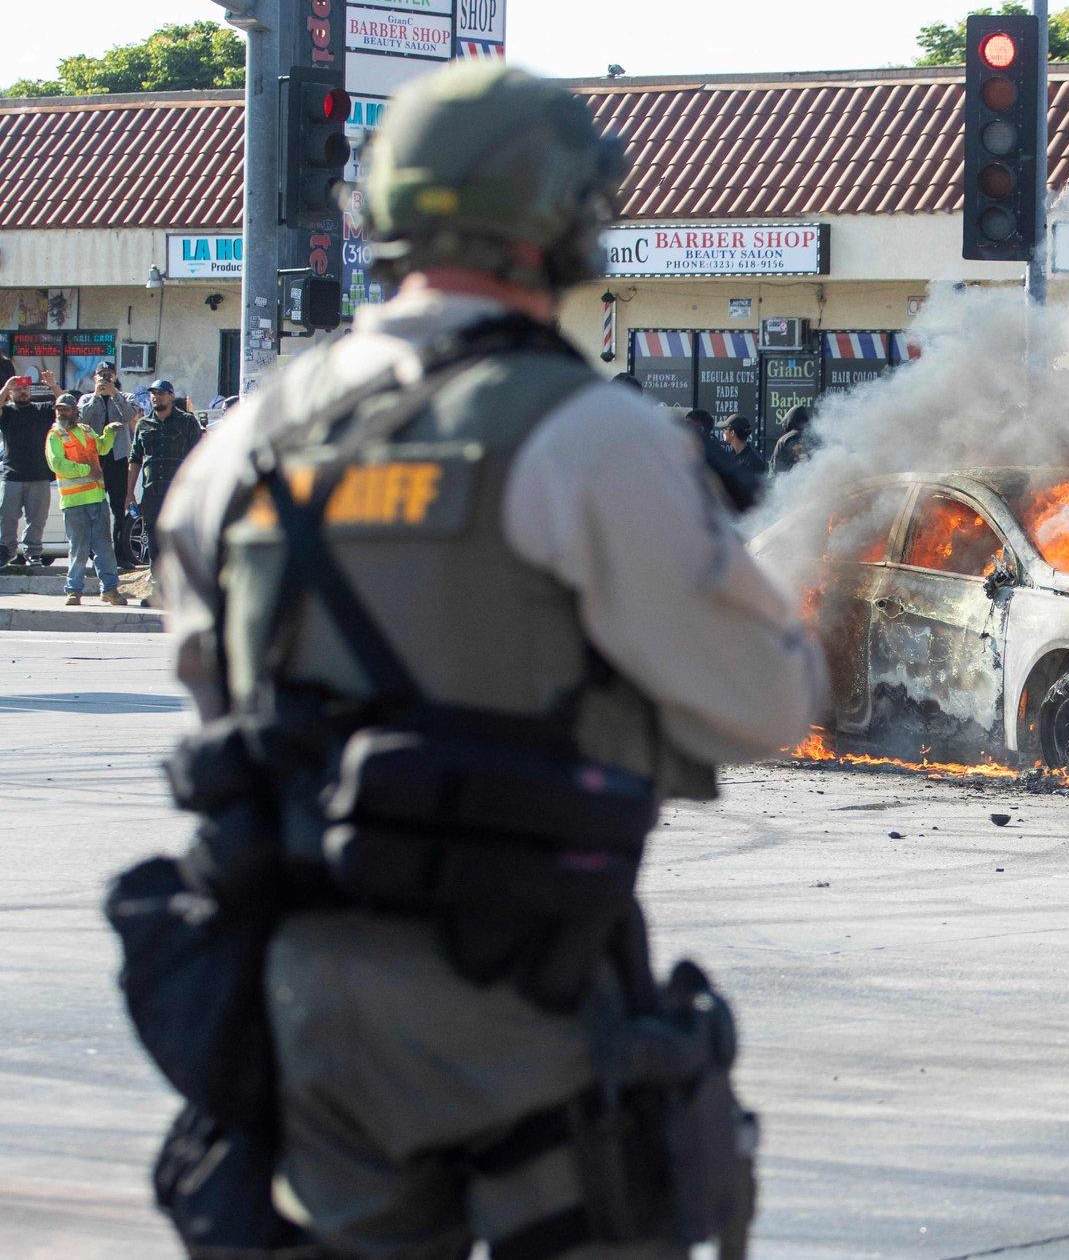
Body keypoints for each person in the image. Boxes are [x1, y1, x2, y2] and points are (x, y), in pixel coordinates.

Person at [150, 62, 824, 1258]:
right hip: (522, 991)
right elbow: (766, 704)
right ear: (559, 220)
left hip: (299, 999)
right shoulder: (587, 435)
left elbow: (213, 691)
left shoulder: (243, 439)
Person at [44, 392, 126, 606]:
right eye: (59, 409)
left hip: (97, 498)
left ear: (75, 412)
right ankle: (73, 591)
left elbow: (102, 447)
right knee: (79, 549)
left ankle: (109, 590)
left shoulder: (86, 430)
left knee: (103, 547)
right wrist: (87, 471)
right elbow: (58, 465)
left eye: (66, 409)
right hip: (74, 503)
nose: (61, 412)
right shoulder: (55, 435)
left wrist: (109, 432)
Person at [127, 377, 203, 566]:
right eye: (153, 394)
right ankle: (158, 587)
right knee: (154, 541)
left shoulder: (186, 422)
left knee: (180, 540)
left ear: (171, 396)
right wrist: (129, 493)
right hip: (152, 493)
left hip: (179, 492)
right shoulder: (143, 425)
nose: (156, 397)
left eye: (161, 393)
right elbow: (135, 459)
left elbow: (200, 457)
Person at [78, 361, 143, 568]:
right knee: (93, 507)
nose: (105, 378)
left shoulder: (126, 397)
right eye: (102, 375)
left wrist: (114, 393)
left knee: (118, 508)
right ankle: (92, 551)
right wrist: (97, 396)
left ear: (115, 376)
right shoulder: (86, 398)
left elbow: (129, 417)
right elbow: (81, 421)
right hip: (94, 459)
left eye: (109, 375)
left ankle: (120, 553)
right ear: (94, 377)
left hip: (118, 458)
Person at [1, 367, 58, 567]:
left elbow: (65, 405)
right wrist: (6, 387)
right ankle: (5, 552)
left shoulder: (41, 410)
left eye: (26, 389)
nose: (23, 392)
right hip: (12, 477)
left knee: (36, 520)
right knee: (7, 519)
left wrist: (52, 385)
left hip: (39, 476)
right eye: (18, 389)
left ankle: (33, 553)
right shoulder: (7, 412)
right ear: (12, 393)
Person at [720, 413, 766, 505]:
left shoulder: (753, 460)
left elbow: (757, 493)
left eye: (725, 429)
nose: (723, 432)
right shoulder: (730, 456)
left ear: (732, 433)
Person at [768, 403, 812, 476]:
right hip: (813, 483)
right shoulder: (814, 439)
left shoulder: (784, 440)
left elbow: (776, 468)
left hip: (789, 484)